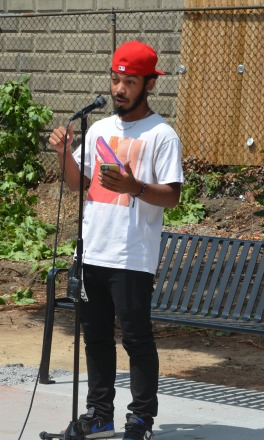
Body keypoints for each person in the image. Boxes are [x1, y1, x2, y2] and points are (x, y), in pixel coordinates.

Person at [48, 40, 183, 440]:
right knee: (96, 339)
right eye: (115, 79)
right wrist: (62, 155)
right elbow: (80, 184)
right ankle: (99, 413)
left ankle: (141, 418)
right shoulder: (100, 129)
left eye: (129, 81)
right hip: (92, 251)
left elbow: (172, 196)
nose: (119, 89)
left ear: (149, 85)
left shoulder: (161, 135)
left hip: (132, 256)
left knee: (137, 339)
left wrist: (134, 186)